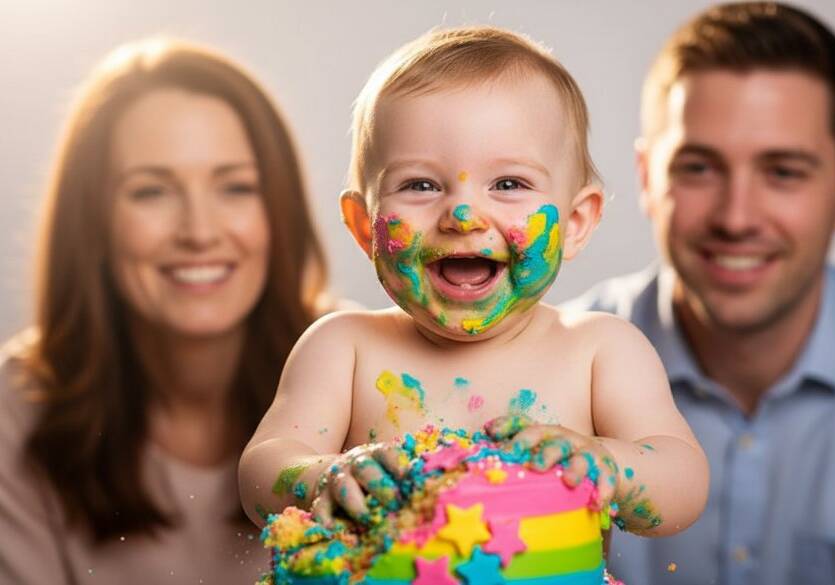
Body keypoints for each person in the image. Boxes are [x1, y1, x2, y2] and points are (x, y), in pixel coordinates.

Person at [239, 25, 708, 550]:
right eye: (420, 185)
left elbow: (683, 483)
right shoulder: (343, 348)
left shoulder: (599, 351)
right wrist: (324, 475)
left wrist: (606, 466)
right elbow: (262, 473)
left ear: (575, 221)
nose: (463, 215)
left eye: (508, 184)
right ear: (363, 225)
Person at [565, 3, 835, 584]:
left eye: (784, 171)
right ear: (645, 178)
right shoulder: (532, 373)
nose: (736, 219)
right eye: (698, 168)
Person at [0, 38, 332, 584]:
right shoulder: (18, 409)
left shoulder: (366, 367)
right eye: (151, 191)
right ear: (94, 222)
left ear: (279, 210)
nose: (199, 232)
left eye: (236, 187)